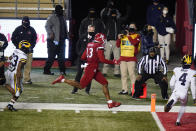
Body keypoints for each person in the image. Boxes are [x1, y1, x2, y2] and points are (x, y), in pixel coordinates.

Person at [52, 33, 121, 108]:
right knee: (81, 86)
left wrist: (88, 62)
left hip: (92, 68)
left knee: (105, 83)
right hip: (91, 69)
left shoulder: (89, 44)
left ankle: (110, 102)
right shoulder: (99, 46)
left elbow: (83, 57)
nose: (104, 41)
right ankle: (62, 79)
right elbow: (102, 59)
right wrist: (113, 62)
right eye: (103, 39)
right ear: (101, 39)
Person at [164, 55, 196, 126]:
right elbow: (193, 86)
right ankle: (178, 121)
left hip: (176, 91)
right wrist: (194, 98)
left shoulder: (176, 69)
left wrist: (173, 91)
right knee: (183, 106)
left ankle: (171, 103)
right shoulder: (193, 72)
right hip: (184, 93)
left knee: (166, 109)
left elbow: (171, 83)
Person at [5, 40, 31, 111]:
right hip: (14, 74)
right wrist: (18, 81)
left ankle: (10, 104)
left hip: (8, 71)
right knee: (18, 91)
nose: (29, 49)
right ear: (23, 48)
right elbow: (19, 69)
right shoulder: (24, 57)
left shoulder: (16, 50)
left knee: (17, 90)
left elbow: (9, 59)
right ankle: (10, 105)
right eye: (27, 48)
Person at [116, 22, 141, 95]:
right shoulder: (123, 36)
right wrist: (118, 38)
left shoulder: (137, 36)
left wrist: (128, 36)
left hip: (131, 58)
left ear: (135, 28)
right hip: (123, 58)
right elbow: (117, 45)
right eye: (130, 26)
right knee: (123, 75)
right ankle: (124, 90)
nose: (131, 28)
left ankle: (133, 90)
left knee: (132, 75)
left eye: (133, 26)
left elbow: (134, 43)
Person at [11, 16, 37, 84]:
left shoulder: (32, 30)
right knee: (19, 65)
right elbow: (13, 38)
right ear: (22, 21)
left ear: (29, 22)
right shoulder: (18, 29)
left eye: (27, 21)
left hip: (29, 51)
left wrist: (31, 47)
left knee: (28, 65)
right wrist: (18, 46)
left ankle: (27, 79)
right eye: (24, 21)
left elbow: (35, 39)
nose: (25, 23)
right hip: (20, 51)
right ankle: (17, 78)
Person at [43, 4, 68, 75]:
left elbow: (64, 28)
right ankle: (46, 70)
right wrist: (50, 33)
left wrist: (67, 35)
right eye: (60, 10)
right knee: (51, 56)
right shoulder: (51, 17)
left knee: (62, 57)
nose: (61, 11)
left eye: (61, 10)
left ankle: (62, 71)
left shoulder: (63, 17)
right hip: (53, 40)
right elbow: (47, 26)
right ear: (57, 10)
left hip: (62, 40)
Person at [71, 25, 95, 94]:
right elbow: (77, 45)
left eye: (93, 30)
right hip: (81, 59)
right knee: (79, 74)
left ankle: (87, 90)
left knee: (88, 75)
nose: (91, 32)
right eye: (90, 30)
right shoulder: (83, 37)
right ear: (87, 30)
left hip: (90, 60)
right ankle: (75, 89)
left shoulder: (95, 39)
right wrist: (79, 54)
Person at [102, 9, 121, 77]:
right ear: (110, 14)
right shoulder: (107, 20)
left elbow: (120, 30)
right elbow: (103, 15)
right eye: (112, 14)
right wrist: (107, 8)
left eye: (115, 14)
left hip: (116, 41)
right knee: (107, 57)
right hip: (108, 41)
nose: (114, 15)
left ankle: (117, 72)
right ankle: (104, 71)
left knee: (117, 57)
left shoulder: (118, 21)